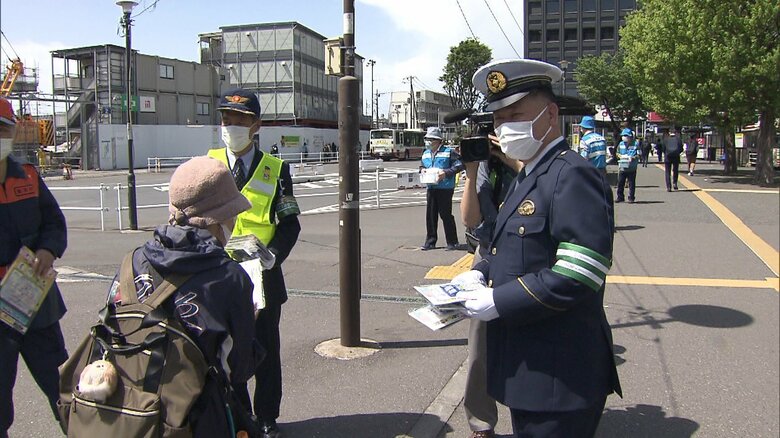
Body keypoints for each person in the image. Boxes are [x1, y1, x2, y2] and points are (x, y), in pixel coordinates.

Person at [452, 59, 621, 438]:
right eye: (498, 119)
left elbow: (582, 271)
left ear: (551, 115)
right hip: (530, 368)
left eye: (515, 114)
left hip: (560, 375)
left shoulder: (572, 173)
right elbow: (507, 246)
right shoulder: (530, 173)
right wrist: (480, 272)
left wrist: (500, 301)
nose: (504, 127)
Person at [105, 156, 259, 436]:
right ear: (218, 219)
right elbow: (239, 368)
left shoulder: (131, 263)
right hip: (195, 418)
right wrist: (248, 319)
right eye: (232, 213)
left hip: (127, 412)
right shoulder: (230, 279)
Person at [208, 88, 301, 438]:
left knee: (265, 352)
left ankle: (266, 419)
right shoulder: (210, 163)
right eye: (226, 119)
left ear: (256, 125)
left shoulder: (276, 169)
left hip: (263, 276)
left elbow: (290, 223)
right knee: (225, 353)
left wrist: (272, 256)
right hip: (220, 277)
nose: (230, 126)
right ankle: (239, 417)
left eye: (240, 120)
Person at [0, 97, 69, 438]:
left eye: (2, 129)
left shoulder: (28, 176)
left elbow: (54, 222)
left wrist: (47, 249)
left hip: (35, 303)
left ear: (12, 134)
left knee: (66, 392)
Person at [460, 140, 521, 438]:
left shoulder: (534, 162)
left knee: (529, 340)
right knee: (479, 345)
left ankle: (533, 418)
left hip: (527, 255)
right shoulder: (483, 165)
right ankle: (481, 423)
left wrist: (515, 163)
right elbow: (470, 220)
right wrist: (471, 174)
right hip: (489, 253)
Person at [420, 126, 464, 251]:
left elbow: (460, 165)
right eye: (427, 139)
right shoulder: (426, 153)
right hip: (431, 186)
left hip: (445, 188)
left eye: (430, 139)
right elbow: (422, 165)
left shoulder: (448, 151)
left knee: (445, 214)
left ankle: (452, 241)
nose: (428, 141)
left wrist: (446, 173)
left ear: (438, 140)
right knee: (430, 214)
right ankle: (430, 241)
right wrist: (422, 170)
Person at [616, 128, 640, 203]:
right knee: (620, 183)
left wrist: (633, 158)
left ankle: (631, 197)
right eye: (623, 136)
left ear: (630, 137)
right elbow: (617, 153)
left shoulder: (636, 144)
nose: (624, 137)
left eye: (626, 136)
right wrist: (620, 156)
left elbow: (639, 154)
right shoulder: (621, 144)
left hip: (632, 167)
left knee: (631, 183)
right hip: (622, 166)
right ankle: (620, 197)